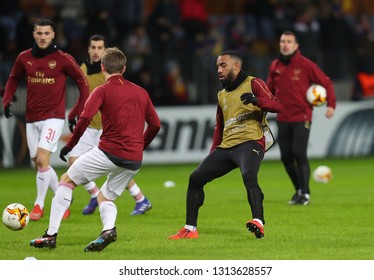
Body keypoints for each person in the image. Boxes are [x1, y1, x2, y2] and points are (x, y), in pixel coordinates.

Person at [30, 47, 161, 251]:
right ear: (124, 68)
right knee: (105, 196)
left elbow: (84, 118)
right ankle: (108, 230)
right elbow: (155, 125)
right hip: (134, 159)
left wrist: (70, 145)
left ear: (102, 68)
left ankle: (50, 235)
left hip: (109, 152)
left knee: (67, 180)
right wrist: (140, 146)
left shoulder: (101, 90)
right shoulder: (141, 92)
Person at [168, 50, 282, 240]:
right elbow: (219, 126)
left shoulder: (254, 83)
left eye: (223, 65)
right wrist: (213, 153)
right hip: (227, 146)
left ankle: (258, 222)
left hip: (250, 141)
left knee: (249, 176)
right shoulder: (222, 94)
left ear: (236, 67)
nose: (219, 70)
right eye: (217, 66)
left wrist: (258, 101)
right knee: (195, 178)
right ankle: (190, 229)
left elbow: (278, 106)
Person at [2, 18, 89, 220]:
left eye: (46, 33)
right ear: (34, 34)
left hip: (54, 117)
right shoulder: (24, 58)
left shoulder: (63, 58)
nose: (42, 37)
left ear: (53, 35)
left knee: (42, 159)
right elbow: (13, 78)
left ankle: (38, 205)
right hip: (32, 119)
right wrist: (7, 99)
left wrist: (77, 110)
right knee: (40, 164)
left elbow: (82, 84)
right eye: (39, 33)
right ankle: (63, 198)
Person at [70, 34, 152, 216]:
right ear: (88, 49)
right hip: (89, 126)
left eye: (100, 47)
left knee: (118, 165)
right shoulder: (82, 69)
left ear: (105, 51)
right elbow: (83, 97)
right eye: (93, 47)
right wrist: (73, 114)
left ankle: (140, 198)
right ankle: (95, 194)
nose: (96, 51)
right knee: (73, 162)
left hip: (108, 130)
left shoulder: (109, 70)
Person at [266, 30, 336, 206]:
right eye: (283, 41)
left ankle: (305, 193)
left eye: (289, 41)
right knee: (286, 157)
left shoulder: (306, 65)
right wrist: (262, 106)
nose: (285, 44)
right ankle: (299, 189)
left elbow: (326, 82)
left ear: (296, 46)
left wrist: (331, 105)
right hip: (283, 116)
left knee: (299, 152)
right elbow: (269, 90)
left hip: (302, 116)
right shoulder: (275, 65)